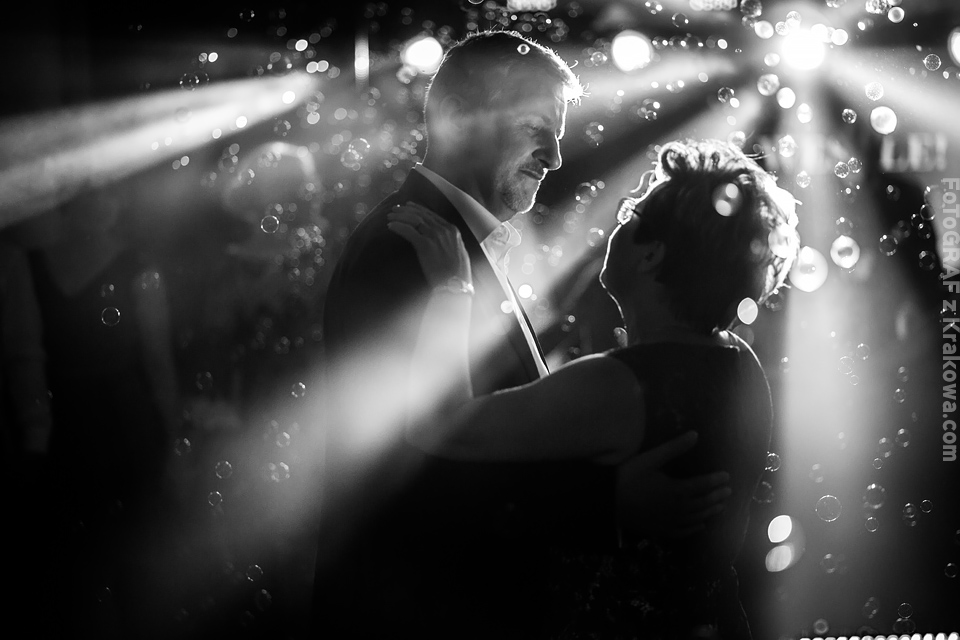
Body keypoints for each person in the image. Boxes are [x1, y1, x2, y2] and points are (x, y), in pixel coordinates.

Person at [313, 31, 730, 638]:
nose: (555, 157)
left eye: (558, 134)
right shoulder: (405, 250)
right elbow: (413, 467)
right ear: (456, 117)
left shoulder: (457, 245)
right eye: (537, 128)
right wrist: (603, 502)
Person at [387, 138, 801, 638]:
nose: (617, 224)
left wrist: (453, 290)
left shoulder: (618, 384)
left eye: (631, 214)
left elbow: (440, 426)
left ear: (651, 254)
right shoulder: (737, 360)